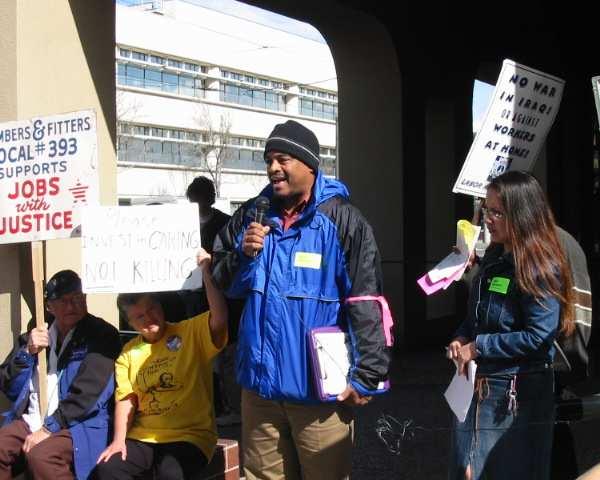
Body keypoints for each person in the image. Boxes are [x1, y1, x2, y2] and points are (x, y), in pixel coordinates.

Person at [212, 119, 391, 479]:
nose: (273, 168)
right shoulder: (251, 214)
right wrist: (243, 256)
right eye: (269, 160)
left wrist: (368, 373)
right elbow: (223, 280)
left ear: (309, 164)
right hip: (260, 394)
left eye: (283, 159)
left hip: (319, 398)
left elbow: (365, 300)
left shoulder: (344, 221)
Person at [446, 170, 575, 479]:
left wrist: (478, 347)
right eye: (486, 210)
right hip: (477, 387)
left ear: (522, 214)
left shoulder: (539, 265)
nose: (488, 220)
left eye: (497, 213)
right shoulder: (493, 257)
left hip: (516, 393)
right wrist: (461, 338)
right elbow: (478, 316)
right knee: (466, 470)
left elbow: (538, 336)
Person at [91, 247, 227, 480]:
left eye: (151, 309)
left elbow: (220, 318)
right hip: (144, 436)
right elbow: (126, 400)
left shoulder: (189, 331)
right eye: (140, 316)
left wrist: (206, 272)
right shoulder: (128, 353)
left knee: (169, 472)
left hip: (190, 435)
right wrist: (118, 441)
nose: (149, 318)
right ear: (130, 323)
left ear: (160, 306)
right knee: (108, 469)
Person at [0, 269, 121, 480]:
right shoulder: (35, 335)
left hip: (77, 425)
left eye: (77, 298)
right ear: (49, 306)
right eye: (64, 301)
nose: (72, 306)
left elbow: (88, 395)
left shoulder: (101, 335)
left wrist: (49, 428)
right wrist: (27, 353)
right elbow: (8, 385)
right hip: (34, 418)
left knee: (42, 457)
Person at [185, 175, 241, 425]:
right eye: (195, 198)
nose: (199, 203)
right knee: (202, 351)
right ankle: (213, 405)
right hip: (191, 295)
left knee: (222, 351)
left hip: (220, 295)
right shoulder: (182, 224)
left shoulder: (225, 224)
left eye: (203, 198)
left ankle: (227, 405)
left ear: (211, 198)